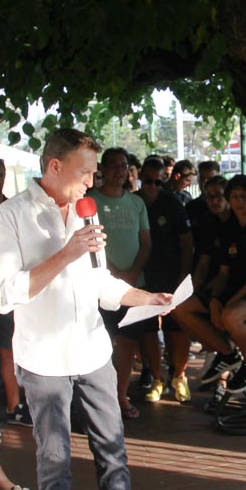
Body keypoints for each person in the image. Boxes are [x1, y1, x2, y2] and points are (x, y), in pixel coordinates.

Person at [0, 128, 187, 490]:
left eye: (94, 172)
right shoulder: (13, 215)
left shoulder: (87, 210)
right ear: (54, 166)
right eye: (85, 172)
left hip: (94, 352)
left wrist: (145, 297)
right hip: (44, 361)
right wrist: (66, 253)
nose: (91, 181)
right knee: (55, 461)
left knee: (113, 451)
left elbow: (101, 284)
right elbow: (3, 296)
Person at [173, 174, 246, 393]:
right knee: (180, 308)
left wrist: (228, 302)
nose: (238, 201)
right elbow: (223, 273)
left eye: (243, 196)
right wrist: (215, 300)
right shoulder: (228, 227)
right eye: (234, 197)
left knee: (230, 315)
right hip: (234, 286)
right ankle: (227, 353)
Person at [89, 147, 152, 418]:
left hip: (134, 287)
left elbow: (146, 242)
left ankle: (120, 396)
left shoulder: (137, 203)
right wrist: (113, 273)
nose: (119, 170)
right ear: (102, 169)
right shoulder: (89, 201)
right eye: (113, 164)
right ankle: (98, 404)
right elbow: (89, 242)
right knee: (100, 344)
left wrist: (132, 273)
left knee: (127, 343)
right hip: (100, 286)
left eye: (123, 165)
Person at [136, 157, 194, 402]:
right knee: (148, 329)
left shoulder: (172, 203)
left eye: (158, 182)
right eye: (148, 181)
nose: (152, 186)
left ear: (164, 181)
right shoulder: (133, 202)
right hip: (143, 276)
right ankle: (157, 379)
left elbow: (187, 242)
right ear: (140, 178)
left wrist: (183, 275)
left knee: (176, 328)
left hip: (171, 275)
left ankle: (179, 376)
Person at [0, 155, 30, 431]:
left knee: (9, 347)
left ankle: (15, 406)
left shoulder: (12, 208)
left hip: (9, 286)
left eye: (0, 175)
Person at [185, 160, 220, 228]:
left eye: (210, 179)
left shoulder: (229, 205)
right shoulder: (191, 207)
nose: (205, 182)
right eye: (202, 178)